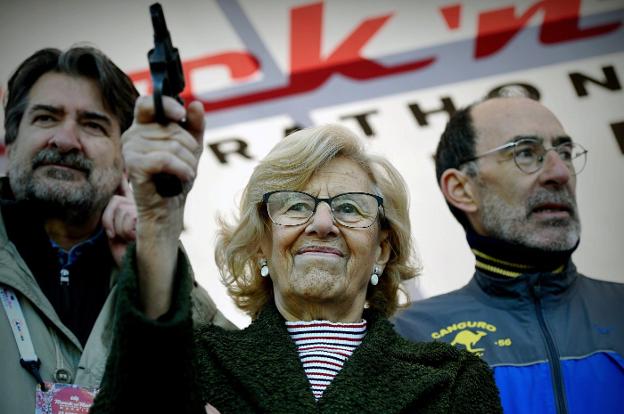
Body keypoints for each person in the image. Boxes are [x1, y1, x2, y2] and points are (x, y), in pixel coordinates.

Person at [90, 96, 502, 413]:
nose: (322, 224)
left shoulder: (454, 379)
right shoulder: (197, 363)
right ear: (260, 243)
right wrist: (159, 224)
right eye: (294, 206)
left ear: (381, 250)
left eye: (349, 207)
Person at [0, 46, 233, 414]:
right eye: (46, 118)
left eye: (92, 124)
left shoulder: (154, 266)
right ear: (10, 143)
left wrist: (155, 259)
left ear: (125, 157)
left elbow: (236, 387)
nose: (64, 140)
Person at [393, 96, 624, 413]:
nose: (559, 173)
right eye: (526, 153)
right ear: (462, 189)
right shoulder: (406, 338)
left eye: (566, 153)